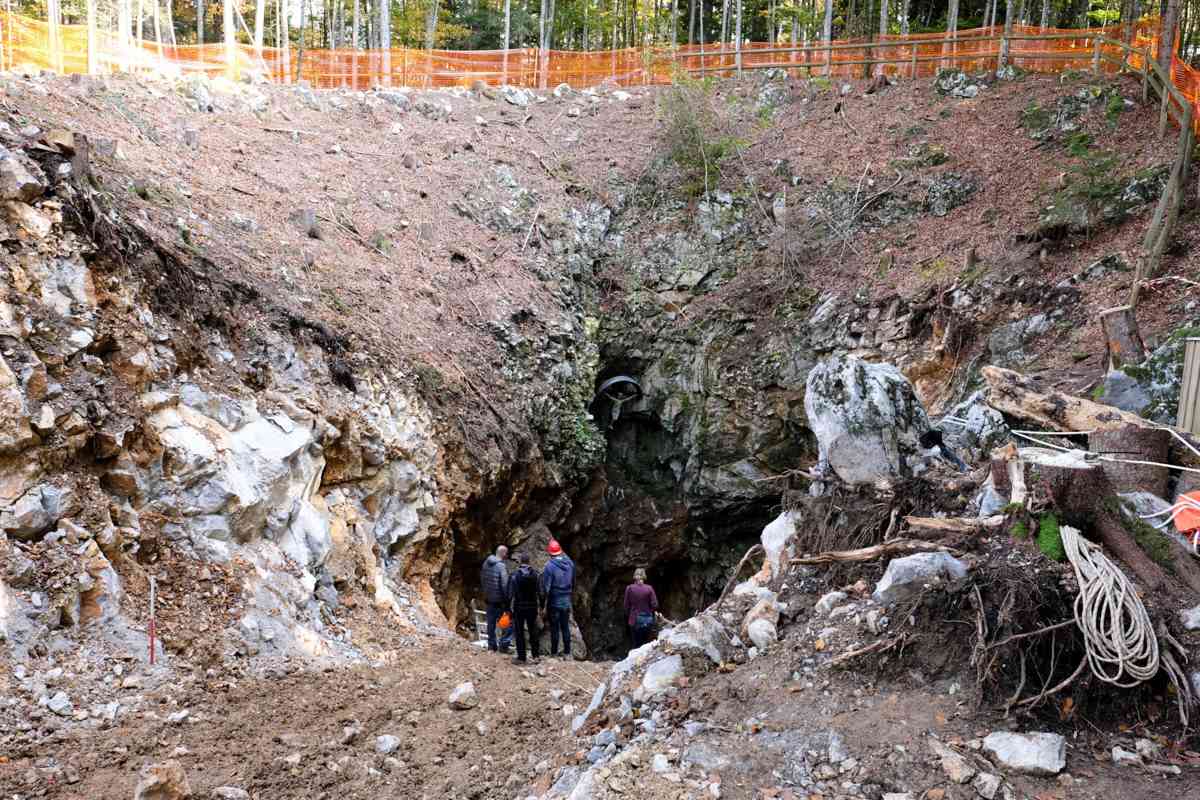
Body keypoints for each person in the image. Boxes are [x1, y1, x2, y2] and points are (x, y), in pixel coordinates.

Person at [540, 539, 576, 659]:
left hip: (554, 601)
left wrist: (542, 604)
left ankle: (554, 653)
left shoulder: (549, 567)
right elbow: (573, 581)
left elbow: (545, 588)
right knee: (565, 626)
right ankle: (567, 652)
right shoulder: (570, 563)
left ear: (550, 553)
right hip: (566, 600)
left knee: (555, 628)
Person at [508, 552, 542, 664]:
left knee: (519, 632)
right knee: (533, 631)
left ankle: (521, 657)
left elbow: (510, 594)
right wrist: (541, 606)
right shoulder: (536, 575)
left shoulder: (514, 576)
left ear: (520, 562)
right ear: (529, 562)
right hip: (532, 607)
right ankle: (536, 655)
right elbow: (541, 592)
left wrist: (508, 608)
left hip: (519, 607)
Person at [480, 545, 510, 652]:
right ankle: (503, 646)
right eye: (506, 554)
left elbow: (482, 580)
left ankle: (491, 646)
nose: (507, 556)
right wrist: (507, 600)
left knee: (490, 624)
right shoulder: (501, 566)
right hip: (499, 601)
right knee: (506, 625)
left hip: (489, 600)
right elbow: (504, 585)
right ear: (503, 554)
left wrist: (486, 594)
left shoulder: (485, 563)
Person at [624, 568, 659, 650]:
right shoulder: (649, 588)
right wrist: (650, 611)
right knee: (646, 644)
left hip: (634, 619)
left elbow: (626, 606)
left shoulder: (629, 588)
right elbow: (655, 605)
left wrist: (628, 616)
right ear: (644, 576)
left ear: (635, 576)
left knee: (636, 644)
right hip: (648, 619)